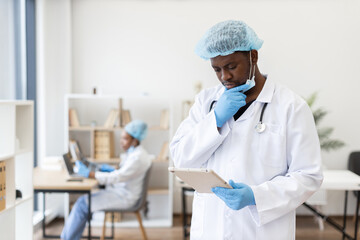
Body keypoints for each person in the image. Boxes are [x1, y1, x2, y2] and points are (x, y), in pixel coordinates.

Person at [170, 20, 323, 240]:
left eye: (231, 66)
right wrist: (215, 119)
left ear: (253, 56)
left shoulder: (291, 107)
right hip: (211, 229)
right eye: (217, 69)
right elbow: (180, 157)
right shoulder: (207, 102)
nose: (225, 77)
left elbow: (309, 176)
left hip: (262, 231)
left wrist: (256, 196)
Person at [61, 120, 152, 240]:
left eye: (125, 139)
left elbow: (118, 177)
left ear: (135, 140)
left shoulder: (138, 157)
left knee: (82, 204)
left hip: (125, 197)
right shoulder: (136, 153)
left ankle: (66, 238)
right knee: (83, 202)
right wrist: (107, 170)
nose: (121, 142)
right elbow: (122, 172)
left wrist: (90, 174)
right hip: (121, 192)